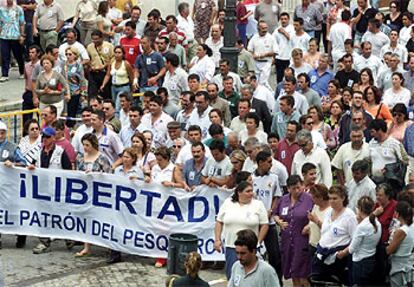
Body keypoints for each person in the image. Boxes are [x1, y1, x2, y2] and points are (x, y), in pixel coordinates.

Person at [215, 181, 269, 279]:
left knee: (250, 276)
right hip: (231, 247)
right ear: (239, 192)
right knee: (232, 276)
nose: (251, 193)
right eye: (248, 191)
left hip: (250, 248)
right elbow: (219, 221)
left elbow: (265, 224)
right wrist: (217, 239)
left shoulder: (258, 204)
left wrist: (258, 242)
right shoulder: (228, 203)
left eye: (252, 191)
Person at [74, 133, 111, 258]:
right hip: (84, 193)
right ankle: (87, 246)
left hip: (99, 193)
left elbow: (109, 175)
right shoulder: (80, 157)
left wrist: (96, 174)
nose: (85, 147)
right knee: (86, 218)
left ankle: (107, 245)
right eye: (83, 145)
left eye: (87, 145)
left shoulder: (102, 158)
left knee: (101, 218)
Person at [311, 185, 357, 284]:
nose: (332, 201)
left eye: (335, 198)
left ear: (343, 198)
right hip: (322, 254)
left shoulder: (349, 216)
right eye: (330, 198)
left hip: (337, 258)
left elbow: (355, 239)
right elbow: (326, 232)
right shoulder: (328, 212)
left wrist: (344, 253)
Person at [274, 175, 313, 286]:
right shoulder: (284, 199)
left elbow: (317, 214)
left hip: (301, 239)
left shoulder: (309, 199)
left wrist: (310, 225)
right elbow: (275, 214)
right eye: (293, 188)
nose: (296, 191)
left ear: (303, 186)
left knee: (303, 273)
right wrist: (279, 222)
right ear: (288, 188)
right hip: (287, 241)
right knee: (293, 272)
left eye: (298, 187)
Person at [348, 196, 382, 285]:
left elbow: (352, 249)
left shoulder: (362, 227)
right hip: (371, 259)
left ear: (359, 209)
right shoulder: (377, 223)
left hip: (360, 262)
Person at [368, 119, 408, 184]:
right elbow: (369, 160)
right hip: (375, 180)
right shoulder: (371, 143)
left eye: (372, 132)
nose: (371, 134)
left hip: (390, 181)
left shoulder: (395, 143)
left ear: (380, 130)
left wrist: (390, 168)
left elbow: (405, 161)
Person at [386, 201, 414, 287]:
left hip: (399, 267)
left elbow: (389, 250)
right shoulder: (411, 227)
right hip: (407, 262)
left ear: (398, 214)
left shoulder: (401, 231)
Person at [101, 46, 133, 114]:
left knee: (118, 106)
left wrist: (132, 88)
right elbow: (108, 75)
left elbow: (131, 77)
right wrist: (103, 84)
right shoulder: (112, 63)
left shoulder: (126, 64)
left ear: (123, 54)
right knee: (114, 105)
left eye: (119, 53)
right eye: (115, 52)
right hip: (114, 87)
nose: (117, 54)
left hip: (123, 87)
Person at [0, 0, 25, 82]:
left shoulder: (18, 9)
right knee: (5, 55)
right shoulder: (1, 10)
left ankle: (22, 72)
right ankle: (5, 74)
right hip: (4, 36)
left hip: (15, 35)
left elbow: (22, 23)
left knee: (18, 55)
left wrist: (22, 35)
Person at [87, 30, 114, 100]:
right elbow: (88, 59)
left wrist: (106, 66)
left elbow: (113, 58)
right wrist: (90, 66)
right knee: (92, 94)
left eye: (96, 39)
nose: (94, 41)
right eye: (93, 39)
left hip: (105, 72)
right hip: (93, 73)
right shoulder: (89, 47)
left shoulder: (109, 46)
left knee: (105, 93)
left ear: (101, 38)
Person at [63, 46, 87, 127]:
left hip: (75, 92)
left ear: (75, 55)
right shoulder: (64, 65)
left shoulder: (78, 65)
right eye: (66, 54)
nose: (68, 56)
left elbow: (82, 80)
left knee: (72, 112)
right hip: (64, 92)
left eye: (70, 54)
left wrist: (83, 93)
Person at [307, 184, 330, 257]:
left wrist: (316, 221)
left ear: (321, 198)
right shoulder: (316, 206)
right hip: (312, 245)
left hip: (323, 248)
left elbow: (329, 230)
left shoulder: (330, 211)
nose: (312, 199)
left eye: (314, 197)